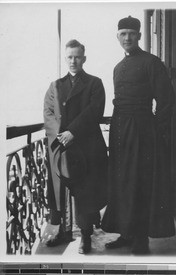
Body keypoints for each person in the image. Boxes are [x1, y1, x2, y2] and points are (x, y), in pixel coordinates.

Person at [101, 16, 175, 254]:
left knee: (141, 184)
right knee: (122, 182)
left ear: (139, 36)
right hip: (120, 130)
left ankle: (141, 239)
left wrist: (155, 130)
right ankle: (126, 233)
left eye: (131, 33)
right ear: (117, 37)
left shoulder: (152, 63)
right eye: (122, 33)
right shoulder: (118, 68)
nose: (127, 38)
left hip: (143, 132)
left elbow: (166, 100)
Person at [43, 39, 108, 254]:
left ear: (84, 58)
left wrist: (74, 132)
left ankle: (86, 237)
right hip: (61, 146)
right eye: (69, 57)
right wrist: (61, 136)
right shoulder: (55, 85)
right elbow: (48, 113)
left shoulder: (94, 83)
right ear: (65, 58)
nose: (73, 61)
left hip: (86, 145)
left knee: (86, 193)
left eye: (77, 57)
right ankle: (60, 231)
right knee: (59, 192)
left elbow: (94, 110)